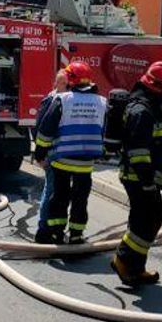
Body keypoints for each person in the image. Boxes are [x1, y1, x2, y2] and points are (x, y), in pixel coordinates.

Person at [110, 60, 162, 287]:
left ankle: (135, 268)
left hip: (144, 176)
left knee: (145, 219)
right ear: (158, 86)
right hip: (138, 177)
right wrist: (147, 181)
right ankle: (123, 259)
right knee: (149, 220)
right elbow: (138, 151)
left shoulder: (148, 106)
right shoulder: (142, 111)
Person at [32, 61, 106, 245]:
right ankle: (76, 235)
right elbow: (105, 131)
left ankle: (57, 233)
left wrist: (40, 153)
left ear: (70, 79)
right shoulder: (102, 102)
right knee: (81, 201)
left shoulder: (63, 100)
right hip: (86, 163)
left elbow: (45, 131)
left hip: (62, 160)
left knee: (59, 198)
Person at [32, 68, 68, 243]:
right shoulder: (53, 100)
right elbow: (39, 127)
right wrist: (40, 155)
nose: (69, 87)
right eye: (66, 84)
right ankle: (43, 229)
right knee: (51, 190)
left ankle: (53, 228)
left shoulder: (63, 100)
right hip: (52, 156)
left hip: (61, 156)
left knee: (59, 192)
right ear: (58, 83)